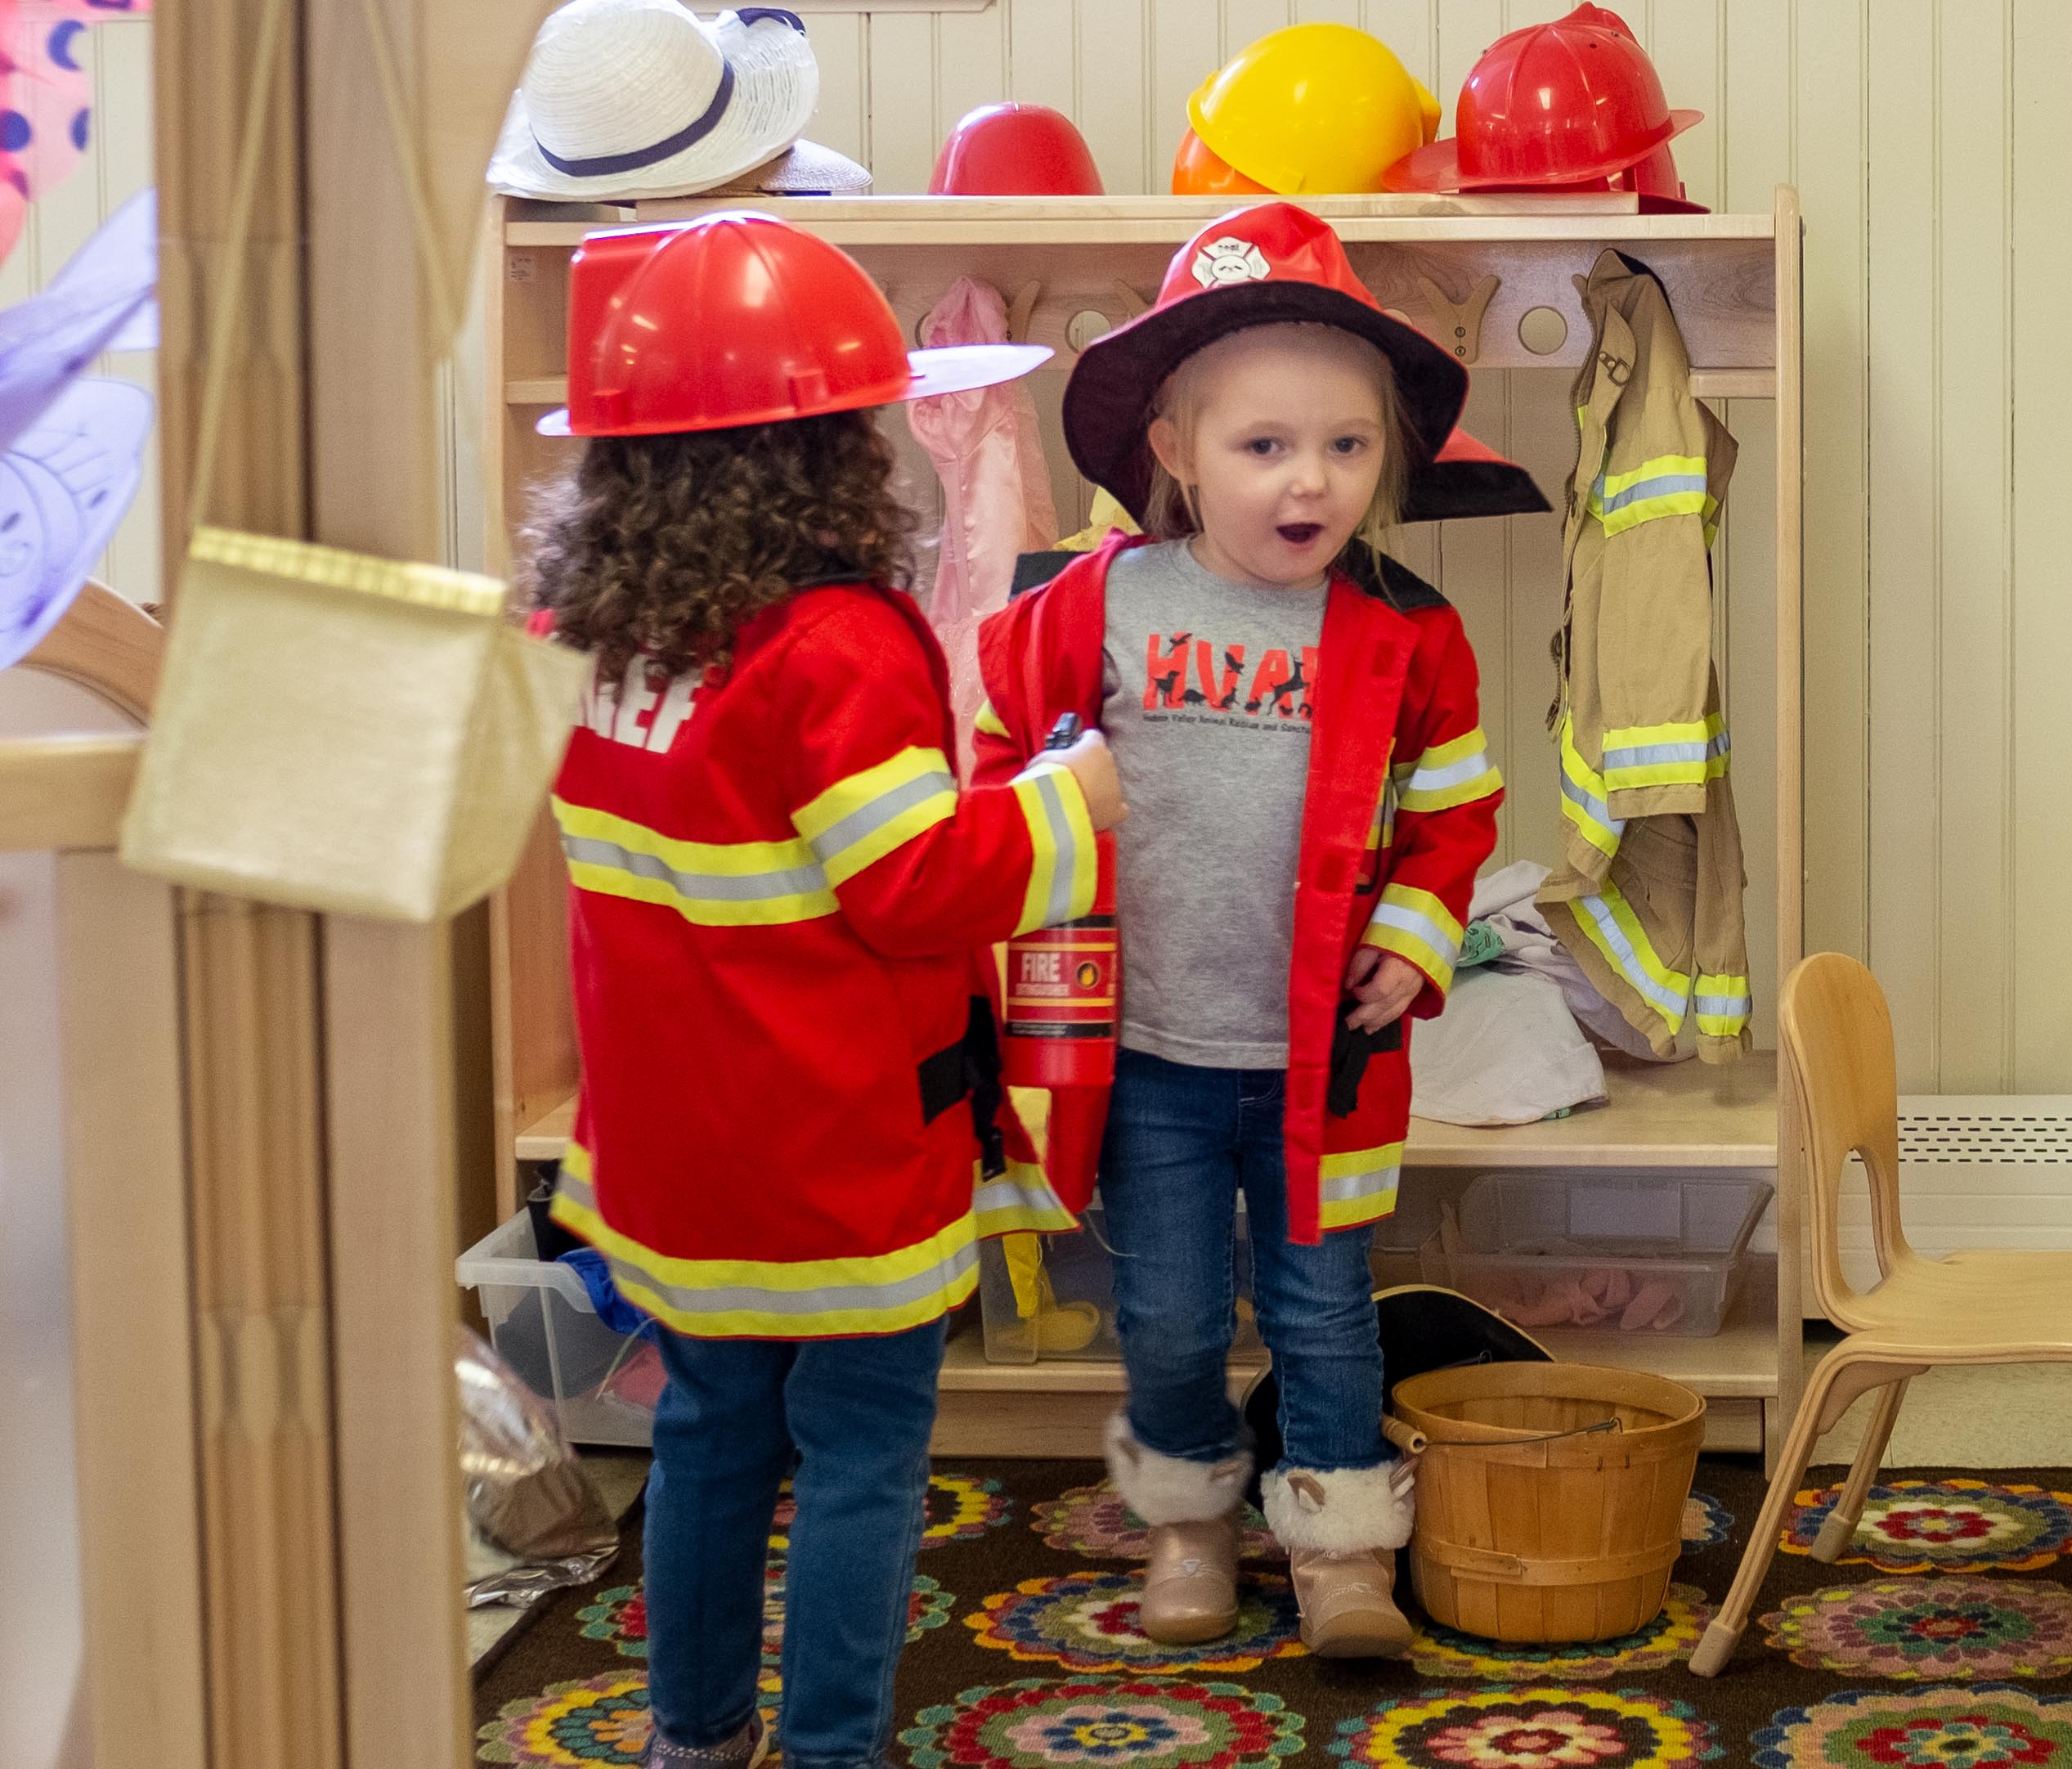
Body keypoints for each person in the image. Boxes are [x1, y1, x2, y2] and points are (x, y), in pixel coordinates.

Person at [522, 211, 1123, 1769]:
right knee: (862, 1458)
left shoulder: (590, 633)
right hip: (837, 1149)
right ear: (822, 450)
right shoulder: (834, 648)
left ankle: (694, 1739)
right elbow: (913, 884)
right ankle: (836, 1747)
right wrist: (1072, 799)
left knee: (710, 1438)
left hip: (676, 1154)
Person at [974, 202, 1501, 1659]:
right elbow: (989, 784)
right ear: (1174, 447)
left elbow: (1458, 814)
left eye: (1346, 445)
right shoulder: (1086, 613)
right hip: (1141, 1051)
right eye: (1263, 446)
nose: (1309, 479)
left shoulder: (1408, 635)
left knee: (1329, 1312)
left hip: (1317, 1055)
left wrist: (1418, 924)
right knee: (1172, 1315)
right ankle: (1193, 1521)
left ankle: (1340, 1550)